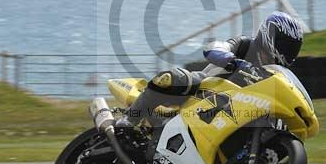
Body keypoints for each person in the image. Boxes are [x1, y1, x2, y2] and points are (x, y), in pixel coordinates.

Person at [117, 11, 304, 128]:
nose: (288, 51)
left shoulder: (276, 72)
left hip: (231, 108)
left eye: (293, 48)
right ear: (270, 35)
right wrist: (233, 61)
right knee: (174, 78)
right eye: (286, 45)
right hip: (203, 90)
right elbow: (213, 47)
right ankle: (129, 120)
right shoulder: (246, 45)